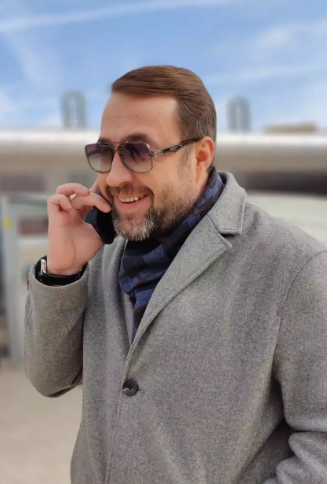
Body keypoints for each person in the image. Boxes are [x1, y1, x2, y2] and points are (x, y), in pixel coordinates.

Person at [24, 66, 326, 484]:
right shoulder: (103, 251)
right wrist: (63, 271)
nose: (114, 177)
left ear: (200, 156)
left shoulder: (292, 265)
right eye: (105, 152)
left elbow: (323, 440)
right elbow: (49, 379)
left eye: (138, 152)